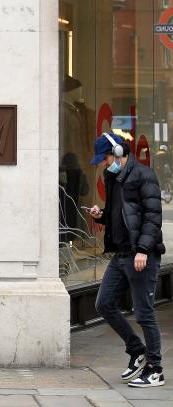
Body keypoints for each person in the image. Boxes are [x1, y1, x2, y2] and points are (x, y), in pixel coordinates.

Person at [89, 132, 166, 388]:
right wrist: (101, 215)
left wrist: (143, 249)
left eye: (106, 158)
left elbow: (153, 217)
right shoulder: (112, 177)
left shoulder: (144, 175)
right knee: (104, 304)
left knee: (144, 313)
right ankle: (137, 351)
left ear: (119, 153)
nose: (103, 163)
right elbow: (118, 214)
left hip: (141, 255)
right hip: (121, 255)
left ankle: (155, 370)